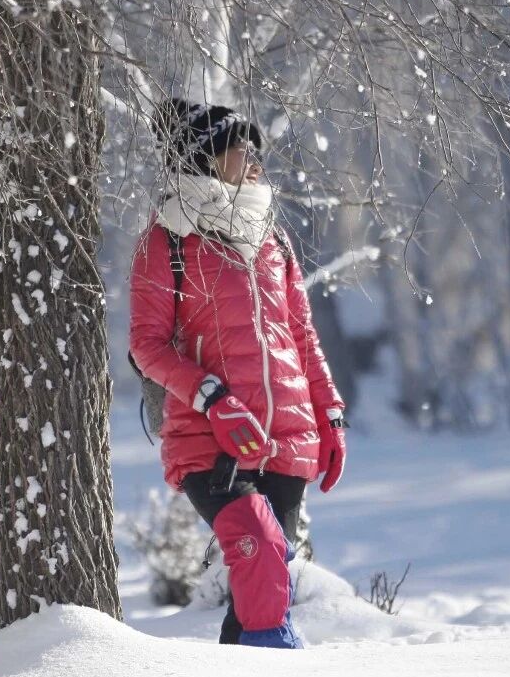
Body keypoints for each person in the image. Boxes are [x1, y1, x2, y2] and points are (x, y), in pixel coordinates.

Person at [128, 98, 348, 649]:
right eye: (236, 147)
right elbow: (146, 346)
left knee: (264, 576)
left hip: (289, 438)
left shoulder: (272, 237)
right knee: (260, 547)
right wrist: (213, 398)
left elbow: (301, 336)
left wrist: (330, 414)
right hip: (211, 439)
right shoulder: (168, 240)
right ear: (204, 157)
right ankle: (278, 671)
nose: (251, 158)